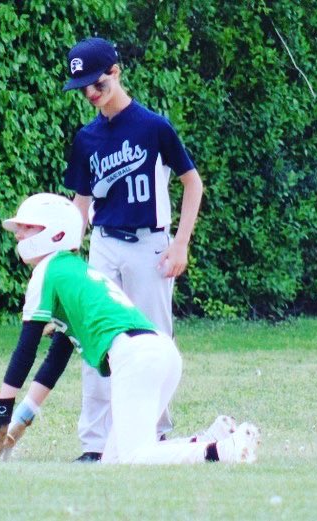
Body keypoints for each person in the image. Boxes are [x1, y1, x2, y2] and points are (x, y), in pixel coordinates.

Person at [0, 193, 259, 465]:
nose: (18, 234)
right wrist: (18, 425)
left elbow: (26, 350)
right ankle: (209, 440)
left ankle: (222, 451)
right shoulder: (72, 271)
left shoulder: (48, 271)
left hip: (136, 357)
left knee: (133, 459)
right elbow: (55, 359)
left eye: (27, 227)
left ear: (57, 233)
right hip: (158, 353)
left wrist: (0, 412)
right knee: (114, 460)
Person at [61, 37, 205, 461]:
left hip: (150, 245)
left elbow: (192, 182)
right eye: (83, 87)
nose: (91, 92)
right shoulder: (86, 137)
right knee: (95, 342)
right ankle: (93, 445)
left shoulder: (153, 126)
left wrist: (181, 243)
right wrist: (65, 254)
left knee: (154, 342)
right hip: (104, 245)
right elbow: (82, 205)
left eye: (96, 81)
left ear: (116, 71)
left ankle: (155, 437)